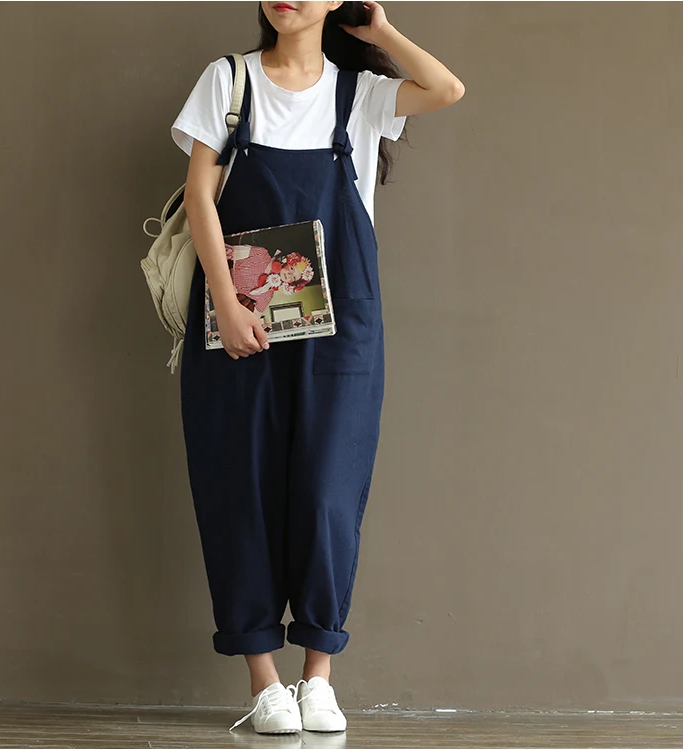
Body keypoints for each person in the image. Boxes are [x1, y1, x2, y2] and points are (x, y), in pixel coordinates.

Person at [170, 0, 464, 735]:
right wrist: (228, 303)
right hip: (239, 321)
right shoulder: (228, 81)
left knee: (329, 491)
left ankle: (318, 677)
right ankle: (264, 682)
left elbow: (446, 88)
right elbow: (200, 194)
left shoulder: (359, 95)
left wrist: (379, 31)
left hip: (344, 329)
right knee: (240, 489)